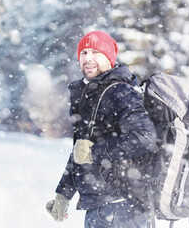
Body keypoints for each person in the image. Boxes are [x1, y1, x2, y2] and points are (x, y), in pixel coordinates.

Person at [45, 30, 159, 228]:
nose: (88, 58)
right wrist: (63, 194)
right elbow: (81, 150)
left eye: (95, 53)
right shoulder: (89, 95)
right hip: (102, 208)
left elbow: (145, 137)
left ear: (109, 59)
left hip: (123, 208)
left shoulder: (120, 92)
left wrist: (94, 152)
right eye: (84, 53)